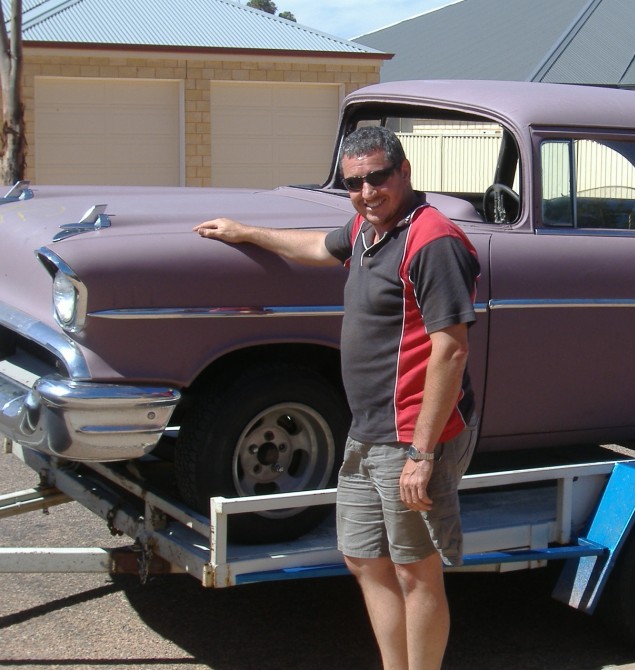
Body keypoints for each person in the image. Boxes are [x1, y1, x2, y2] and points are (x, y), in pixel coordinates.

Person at [194, 126, 481, 670]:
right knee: (363, 557)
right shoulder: (367, 230)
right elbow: (316, 247)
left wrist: (422, 454)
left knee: (416, 571)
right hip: (366, 430)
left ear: (404, 172)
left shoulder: (432, 241)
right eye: (354, 183)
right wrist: (244, 232)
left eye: (377, 178)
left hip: (411, 435)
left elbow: (451, 350)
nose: (367, 192)